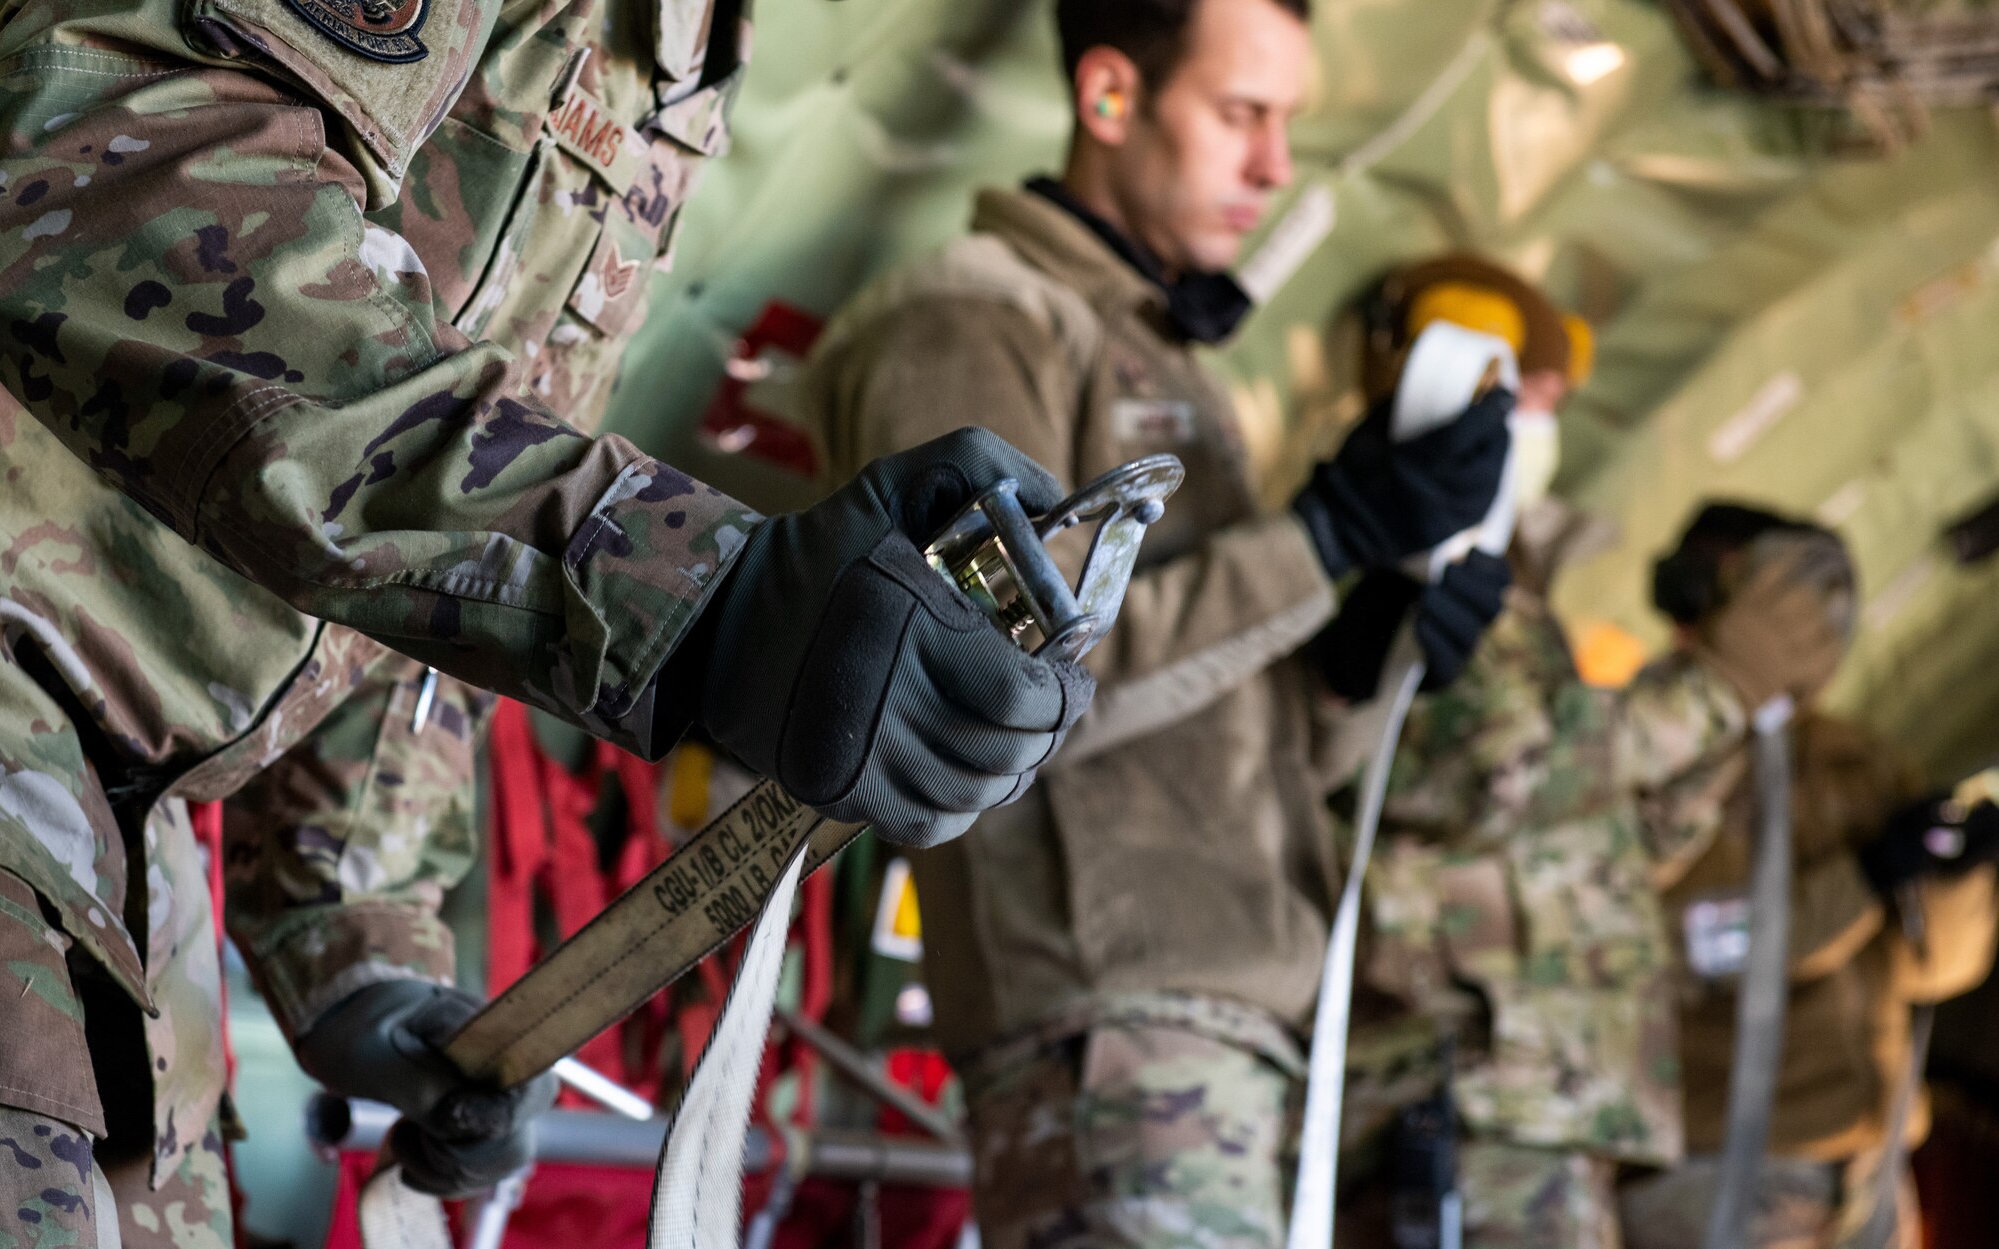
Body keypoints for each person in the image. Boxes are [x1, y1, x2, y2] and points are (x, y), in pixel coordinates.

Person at [0, 0, 1100, 1241]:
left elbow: (422, 486)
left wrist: (353, 926)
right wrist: (693, 589)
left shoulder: (687, 46)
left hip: (118, 840)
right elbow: (126, 172)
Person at [798, 3, 1517, 1245]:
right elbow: (994, 689)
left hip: (1225, 1016)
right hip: (1109, 1026)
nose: (1275, 166)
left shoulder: (1168, 365)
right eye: (1241, 115)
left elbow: (1214, 729)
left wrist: (1353, 664)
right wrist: (1317, 541)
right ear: (1111, 98)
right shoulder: (974, 315)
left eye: (1286, 123)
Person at [1324, 261, 1855, 1249]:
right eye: (1527, 388)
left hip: (1540, 1099)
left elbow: (1608, 848)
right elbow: (1494, 777)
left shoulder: (1517, 594)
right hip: (1470, 1080)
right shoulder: (1404, 557)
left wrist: (1727, 718)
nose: (1546, 415)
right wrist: (1715, 689)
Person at [1618, 505, 1999, 1249]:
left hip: (1871, 1164)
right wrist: (1863, 875)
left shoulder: (1856, 761)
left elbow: (1933, 970)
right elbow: (1704, 947)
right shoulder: (1657, 756)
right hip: (1724, 1167)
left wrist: (1956, 879)